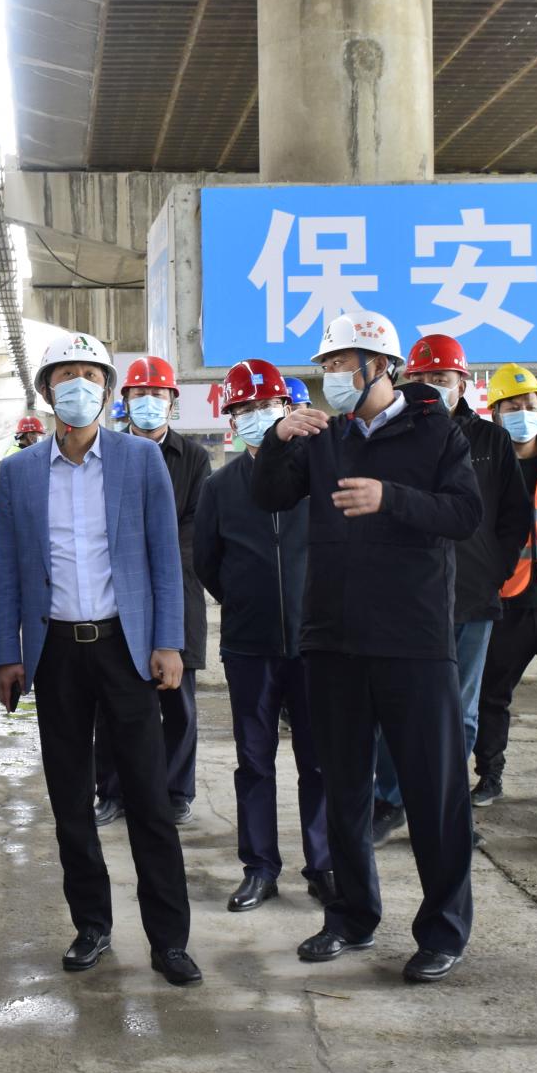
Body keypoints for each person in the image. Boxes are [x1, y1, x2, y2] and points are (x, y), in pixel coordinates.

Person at [253, 310, 482, 983]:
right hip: (334, 640)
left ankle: (443, 931)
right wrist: (275, 438)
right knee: (344, 788)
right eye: (324, 366)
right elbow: (270, 494)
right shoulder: (325, 437)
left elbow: (464, 514)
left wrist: (392, 498)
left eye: (338, 364)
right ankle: (352, 917)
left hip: (414, 641)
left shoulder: (435, 431)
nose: (328, 378)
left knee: (433, 792)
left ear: (378, 366)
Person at [0, 331, 199, 985]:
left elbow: (165, 558)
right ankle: (92, 926)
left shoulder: (140, 460)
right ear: (46, 390)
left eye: (90, 375)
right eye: (64, 375)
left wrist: (168, 642)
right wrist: (7, 654)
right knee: (70, 798)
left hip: (125, 650)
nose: (77, 386)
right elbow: (6, 570)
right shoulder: (20, 471)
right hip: (55, 652)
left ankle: (169, 940)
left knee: (148, 798)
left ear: (108, 390)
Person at [376, 334, 527, 847]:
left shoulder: (491, 441)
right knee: (397, 708)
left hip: (470, 597)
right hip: (402, 599)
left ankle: (445, 807)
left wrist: (494, 571)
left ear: (463, 383)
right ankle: (390, 800)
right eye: (419, 378)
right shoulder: (388, 437)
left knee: (459, 714)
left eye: (441, 379)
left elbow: (513, 517)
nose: (429, 387)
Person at [194, 358, 331, 912]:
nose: (256, 415)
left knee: (319, 761)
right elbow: (207, 562)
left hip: (316, 644)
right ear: (232, 420)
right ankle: (259, 868)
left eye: (266, 406)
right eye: (244, 409)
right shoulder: (219, 487)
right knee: (254, 761)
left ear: (288, 409)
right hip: (249, 646)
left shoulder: (319, 477)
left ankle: (323, 864)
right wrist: (247, 602)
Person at [92, 355, 210, 828]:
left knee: (178, 702)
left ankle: (176, 791)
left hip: (178, 592)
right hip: (116, 597)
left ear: (172, 401)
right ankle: (112, 790)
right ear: (124, 401)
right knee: (114, 700)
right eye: (139, 394)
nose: (148, 401)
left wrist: (150, 562)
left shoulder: (194, 458)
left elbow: (194, 530)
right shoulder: (106, 453)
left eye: (157, 394)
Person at [473, 362, 537, 805]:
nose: (522, 412)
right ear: (495, 413)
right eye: (511, 406)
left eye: (529, 404)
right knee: (492, 696)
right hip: (506, 599)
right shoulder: (484, 466)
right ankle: (490, 776)